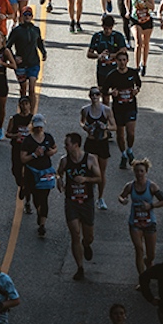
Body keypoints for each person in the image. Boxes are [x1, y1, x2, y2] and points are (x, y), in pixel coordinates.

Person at [59, 132, 103, 281]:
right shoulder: (64, 161)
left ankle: (87, 244)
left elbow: (99, 178)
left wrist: (85, 179)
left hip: (86, 201)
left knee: (88, 235)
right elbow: (59, 173)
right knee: (75, 234)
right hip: (71, 201)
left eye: (67, 144)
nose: (65, 146)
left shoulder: (90, 159)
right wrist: (59, 181)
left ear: (76, 145)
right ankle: (80, 267)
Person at [118, 158, 163, 280]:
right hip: (135, 222)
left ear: (146, 172)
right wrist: (123, 200)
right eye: (137, 171)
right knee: (139, 250)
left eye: (141, 171)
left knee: (151, 255)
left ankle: (148, 263)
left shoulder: (152, 186)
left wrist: (151, 206)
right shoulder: (130, 186)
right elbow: (121, 196)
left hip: (150, 222)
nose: (139, 174)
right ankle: (143, 279)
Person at [17, 115, 57, 238]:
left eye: (41, 126)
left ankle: (42, 224)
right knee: (36, 197)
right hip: (32, 172)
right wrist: (34, 155)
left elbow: (54, 148)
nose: (39, 128)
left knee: (44, 198)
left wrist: (51, 152)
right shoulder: (28, 140)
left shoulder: (48, 137)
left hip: (45, 172)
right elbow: (23, 158)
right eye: (37, 126)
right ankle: (30, 199)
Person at [108, 49, 143, 169]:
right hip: (118, 108)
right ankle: (123, 154)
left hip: (130, 106)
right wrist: (112, 92)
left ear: (127, 61)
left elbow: (139, 84)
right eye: (120, 60)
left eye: (124, 60)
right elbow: (104, 90)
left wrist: (136, 90)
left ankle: (130, 150)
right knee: (120, 134)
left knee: (131, 132)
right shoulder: (112, 75)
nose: (122, 62)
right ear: (116, 61)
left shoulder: (132, 73)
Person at [5, 7, 46, 107]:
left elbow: (39, 42)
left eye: (29, 14)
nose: (27, 16)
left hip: (33, 62)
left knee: (32, 89)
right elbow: (7, 47)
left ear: (32, 17)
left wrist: (43, 52)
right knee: (23, 88)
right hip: (21, 64)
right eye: (25, 14)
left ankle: (31, 113)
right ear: (22, 16)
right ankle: (23, 110)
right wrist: (14, 58)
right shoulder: (16, 31)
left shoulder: (36, 30)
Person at [126, 0, 155, 76]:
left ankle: (144, 64)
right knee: (138, 42)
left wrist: (145, 1)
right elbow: (126, 0)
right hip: (135, 20)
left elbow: (152, 7)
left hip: (147, 19)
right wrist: (128, 11)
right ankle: (137, 67)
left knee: (145, 43)